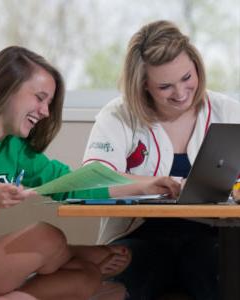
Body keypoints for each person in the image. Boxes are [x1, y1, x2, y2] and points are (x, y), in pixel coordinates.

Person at [0, 46, 180, 300]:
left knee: (85, 278)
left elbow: (76, 183)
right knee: (46, 237)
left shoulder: (17, 150)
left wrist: (146, 184)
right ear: (8, 88)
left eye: (49, 103)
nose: (45, 111)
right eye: (40, 97)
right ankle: (69, 252)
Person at [83, 20, 240, 300]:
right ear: (143, 85)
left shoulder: (226, 110)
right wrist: (147, 184)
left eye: (187, 78)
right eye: (165, 86)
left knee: (222, 276)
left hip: (213, 238)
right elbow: (91, 179)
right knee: (121, 285)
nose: (180, 94)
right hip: (138, 237)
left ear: (197, 67)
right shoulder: (119, 115)